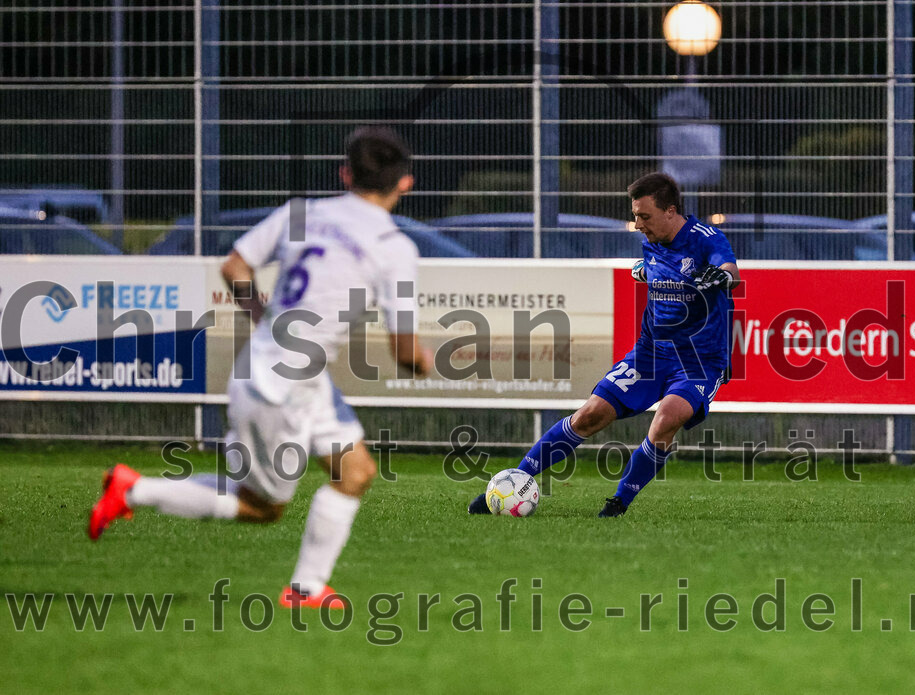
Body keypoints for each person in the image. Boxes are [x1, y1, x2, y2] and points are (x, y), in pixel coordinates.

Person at [89, 127, 432, 608]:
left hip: (287, 372)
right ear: (405, 183)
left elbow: (234, 267)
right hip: (280, 387)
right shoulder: (394, 248)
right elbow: (405, 353)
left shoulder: (302, 214)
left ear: (345, 173)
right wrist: (426, 362)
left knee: (354, 472)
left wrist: (265, 317)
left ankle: (306, 589)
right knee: (260, 507)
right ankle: (134, 490)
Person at [469, 172, 739, 517]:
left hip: (700, 361)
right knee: (588, 416)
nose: (638, 224)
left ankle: (618, 504)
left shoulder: (705, 237)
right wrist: (646, 269)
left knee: (666, 420)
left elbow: (728, 266)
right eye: (635, 215)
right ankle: (514, 481)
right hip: (651, 353)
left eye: (645, 216)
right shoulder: (652, 239)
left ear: (671, 211)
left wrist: (723, 276)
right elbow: (661, 268)